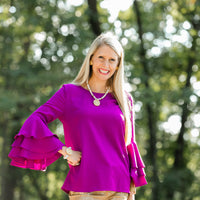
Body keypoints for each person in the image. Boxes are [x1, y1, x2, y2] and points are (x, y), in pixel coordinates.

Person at [8, 32, 147, 200]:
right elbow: (35, 120)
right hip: (84, 186)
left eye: (112, 60)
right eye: (101, 57)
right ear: (91, 59)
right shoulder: (69, 93)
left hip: (119, 186)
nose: (106, 64)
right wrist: (65, 151)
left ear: (118, 64)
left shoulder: (125, 99)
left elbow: (128, 144)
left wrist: (131, 189)